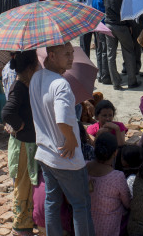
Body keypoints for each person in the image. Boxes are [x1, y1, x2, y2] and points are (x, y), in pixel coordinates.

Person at [30, 42, 95, 236]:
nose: (71, 58)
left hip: (45, 153)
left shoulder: (36, 77)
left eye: (71, 53)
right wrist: (71, 140)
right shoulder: (61, 84)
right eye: (66, 54)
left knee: (52, 201)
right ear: (51, 56)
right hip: (66, 157)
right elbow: (62, 119)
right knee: (80, 204)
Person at [1, 50, 41, 235]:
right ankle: (20, 224)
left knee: (29, 182)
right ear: (31, 68)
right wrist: (20, 125)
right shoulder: (18, 87)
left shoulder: (27, 84)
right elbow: (7, 113)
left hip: (29, 143)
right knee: (23, 184)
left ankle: (28, 218)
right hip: (24, 145)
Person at [103, 0, 140, 90]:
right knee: (128, 52)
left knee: (111, 54)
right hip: (122, 25)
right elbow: (127, 12)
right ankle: (131, 80)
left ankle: (116, 82)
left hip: (109, 24)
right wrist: (131, 25)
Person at [87, 133, 130, 236]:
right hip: (109, 226)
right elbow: (127, 203)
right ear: (115, 153)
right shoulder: (117, 176)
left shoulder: (83, 167)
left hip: (86, 222)